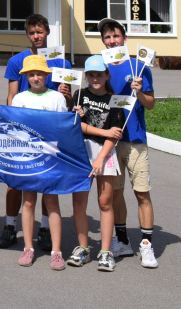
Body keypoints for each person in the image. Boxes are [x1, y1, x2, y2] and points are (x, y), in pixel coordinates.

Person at [0, 13, 72, 250]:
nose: (36, 36)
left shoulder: (62, 62)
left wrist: (67, 94)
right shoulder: (17, 61)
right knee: (15, 182)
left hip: (50, 134)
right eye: (32, 33)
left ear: (47, 32)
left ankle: (46, 228)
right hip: (23, 131)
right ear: (27, 35)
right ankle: (10, 226)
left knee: (47, 182)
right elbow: (11, 96)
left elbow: (67, 103)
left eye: (40, 32)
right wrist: (10, 128)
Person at [99, 18, 158, 267]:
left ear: (124, 38)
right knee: (117, 194)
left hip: (135, 139)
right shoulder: (101, 68)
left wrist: (139, 92)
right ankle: (122, 241)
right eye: (107, 37)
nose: (112, 41)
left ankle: (146, 245)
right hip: (112, 140)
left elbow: (151, 103)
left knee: (141, 192)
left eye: (116, 36)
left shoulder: (139, 67)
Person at [11, 55, 68, 270]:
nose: (36, 78)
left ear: (47, 75)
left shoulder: (56, 98)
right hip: (27, 158)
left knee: (51, 202)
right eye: (32, 74)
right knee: (28, 202)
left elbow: (63, 127)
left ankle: (56, 251)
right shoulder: (19, 98)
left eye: (40, 74)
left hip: (51, 157)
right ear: (25, 76)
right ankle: (28, 247)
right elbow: (14, 128)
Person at [69, 55, 124, 272]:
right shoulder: (79, 94)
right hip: (81, 152)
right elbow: (77, 126)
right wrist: (100, 130)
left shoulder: (116, 99)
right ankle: (83, 248)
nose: (94, 78)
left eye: (99, 74)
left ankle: (105, 251)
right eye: (90, 74)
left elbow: (116, 134)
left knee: (105, 202)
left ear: (107, 74)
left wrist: (101, 157)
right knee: (79, 204)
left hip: (106, 153)